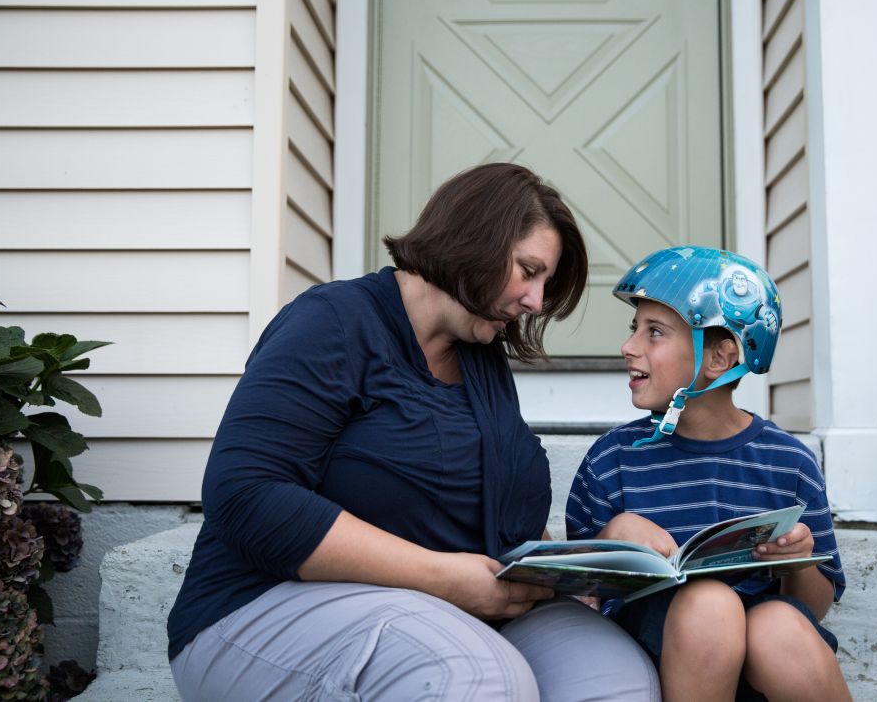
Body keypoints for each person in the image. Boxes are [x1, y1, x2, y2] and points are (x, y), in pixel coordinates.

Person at [167, 164, 660, 701]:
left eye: (544, 283)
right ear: (473, 240)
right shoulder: (333, 322)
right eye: (528, 270)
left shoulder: (478, 355)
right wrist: (444, 578)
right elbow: (244, 494)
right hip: (263, 603)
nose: (536, 302)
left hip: (460, 607)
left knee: (617, 681)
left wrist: (590, 560)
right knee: (477, 679)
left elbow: (492, 511)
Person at [566, 246, 850, 702]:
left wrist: (797, 560)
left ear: (718, 360)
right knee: (710, 603)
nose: (629, 346)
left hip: (765, 659)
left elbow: (814, 607)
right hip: (655, 654)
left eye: (654, 332)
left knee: (779, 626)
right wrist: (613, 535)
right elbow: (578, 600)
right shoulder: (612, 459)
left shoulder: (789, 462)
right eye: (633, 329)